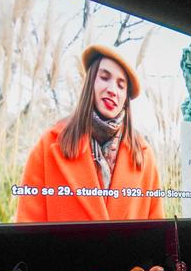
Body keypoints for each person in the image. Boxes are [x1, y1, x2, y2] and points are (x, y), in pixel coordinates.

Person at [16, 44, 164, 223]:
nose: (112, 90)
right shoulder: (49, 145)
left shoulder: (144, 156)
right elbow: (27, 226)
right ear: (90, 82)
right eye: (104, 77)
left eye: (121, 85)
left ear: (126, 98)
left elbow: (157, 231)